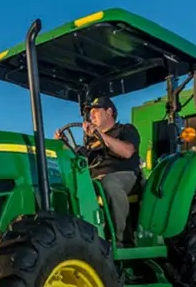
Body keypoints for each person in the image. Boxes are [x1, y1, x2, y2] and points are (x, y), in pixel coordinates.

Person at [54, 96, 141, 246]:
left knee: (109, 183)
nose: (91, 115)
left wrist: (101, 136)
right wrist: (62, 143)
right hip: (94, 181)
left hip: (125, 177)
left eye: (95, 111)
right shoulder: (89, 142)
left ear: (109, 112)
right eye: (89, 112)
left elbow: (127, 151)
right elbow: (76, 160)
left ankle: (121, 240)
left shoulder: (126, 130)